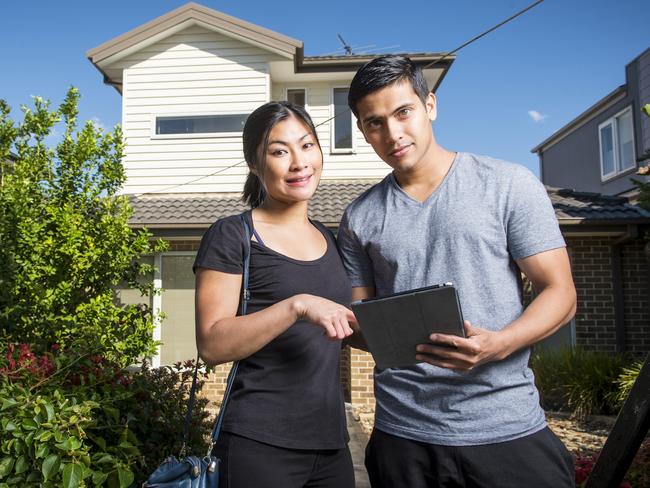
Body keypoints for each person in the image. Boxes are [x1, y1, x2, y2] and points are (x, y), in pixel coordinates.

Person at [337, 55, 577, 488]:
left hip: (505, 429)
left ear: (430, 105)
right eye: (375, 123)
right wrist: (343, 324)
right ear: (363, 132)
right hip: (403, 438)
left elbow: (560, 293)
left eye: (403, 112)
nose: (392, 133)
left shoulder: (507, 184)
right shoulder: (358, 217)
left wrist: (500, 344)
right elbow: (361, 320)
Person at [194, 101, 356, 488]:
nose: (299, 162)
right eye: (279, 151)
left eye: (307, 145)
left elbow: (350, 326)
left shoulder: (331, 240)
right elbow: (213, 344)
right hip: (259, 443)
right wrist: (297, 306)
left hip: (331, 445)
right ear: (255, 163)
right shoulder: (233, 235)